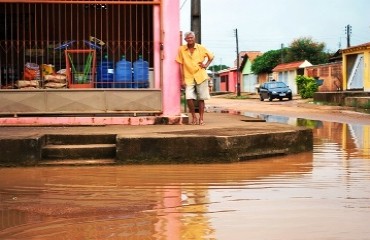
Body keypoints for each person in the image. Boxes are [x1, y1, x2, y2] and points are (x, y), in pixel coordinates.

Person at [176, 31, 214, 125]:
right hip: (188, 77)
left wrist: (206, 65)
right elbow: (180, 64)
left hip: (200, 76)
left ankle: (201, 119)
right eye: (187, 38)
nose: (189, 39)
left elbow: (211, 57)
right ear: (185, 39)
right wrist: (182, 79)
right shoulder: (181, 49)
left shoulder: (201, 48)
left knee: (201, 98)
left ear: (194, 38)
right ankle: (193, 117)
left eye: (191, 38)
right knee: (189, 98)